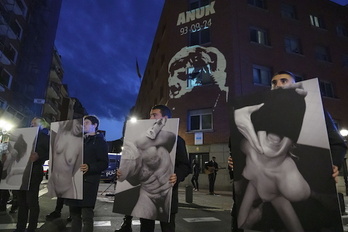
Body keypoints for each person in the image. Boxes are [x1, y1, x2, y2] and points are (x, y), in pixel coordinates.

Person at [229, 71, 347, 232]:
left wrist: (334, 164)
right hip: (262, 177)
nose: (278, 85)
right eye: (274, 82)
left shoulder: (315, 115)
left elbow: (338, 144)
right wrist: (233, 164)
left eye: (284, 81)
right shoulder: (256, 121)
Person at [114, 104, 191, 232]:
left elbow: (185, 166)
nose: (150, 117)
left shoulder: (176, 140)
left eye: (154, 115)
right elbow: (133, 177)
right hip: (147, 194)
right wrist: (122, 172)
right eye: (150, 115)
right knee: (146, 228)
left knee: (168, 229)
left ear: (165, 118)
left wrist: (177, 175)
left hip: (168, 193)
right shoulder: (138, 142)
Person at [65, 115, 108, 232]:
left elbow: (104, 163)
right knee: (74, 216)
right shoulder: (78, 140)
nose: (83, 125)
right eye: (83, 123)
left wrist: (89, 167)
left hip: (88, 183)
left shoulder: (100, 141)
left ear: (95, 125)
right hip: (74, 182)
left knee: (87, 217)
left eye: (87, 123)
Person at [14, 117, 50, 232]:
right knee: (21, 202)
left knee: (32, 202)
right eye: (31, 122)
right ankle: (20, 227)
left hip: (34, 172)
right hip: (21, 172)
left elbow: (49, 154)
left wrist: (39, 157)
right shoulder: (24, 136)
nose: (32, 124)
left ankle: (31, 228)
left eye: (35, 123)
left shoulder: (45, 138)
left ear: (41, 125)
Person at [48, 119, 83, 199]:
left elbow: (74, 170)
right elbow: (52, 155)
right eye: (79, 122)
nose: (80, 126)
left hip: (66, 188)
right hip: (52, 183)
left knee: (71, 209)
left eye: (83, 124)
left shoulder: (80, 144)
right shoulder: (61, 133)